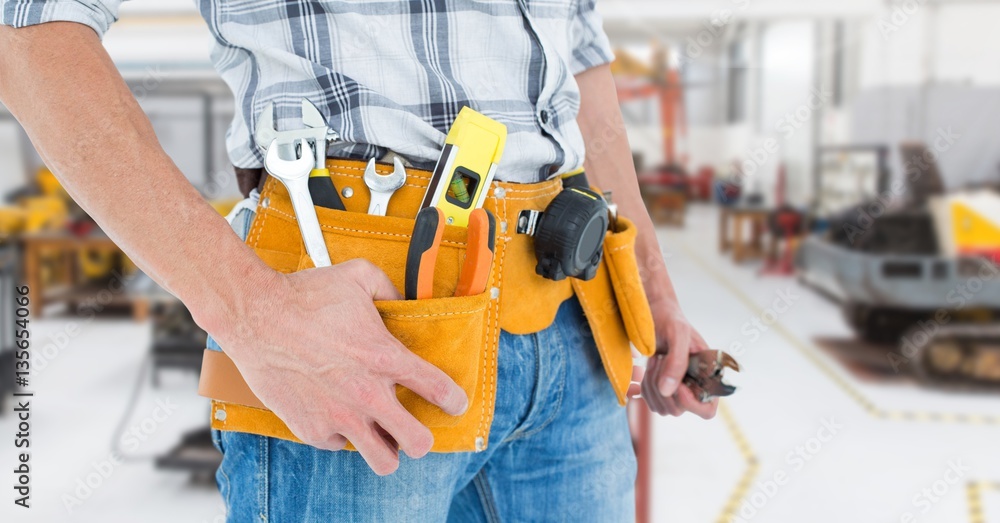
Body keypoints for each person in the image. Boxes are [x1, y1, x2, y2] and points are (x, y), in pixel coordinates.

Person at [0, 1, 717, 520]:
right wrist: (251, 307)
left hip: (572, 324)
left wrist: (649, 279)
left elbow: (578, 51)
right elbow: (26, 32)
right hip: (361, 335)